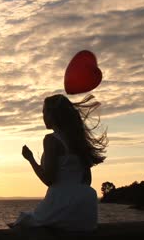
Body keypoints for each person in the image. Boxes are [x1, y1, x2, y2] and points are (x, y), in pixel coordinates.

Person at [9, 94, 108, 231]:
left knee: (23, 223)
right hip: (86, 206)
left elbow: (49, 179)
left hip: (61, 202)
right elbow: (87, 180)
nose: (43, 117)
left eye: (44, 112)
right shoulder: (78, 141)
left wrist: (30, 159)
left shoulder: (51, 140)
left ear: (52, 115)